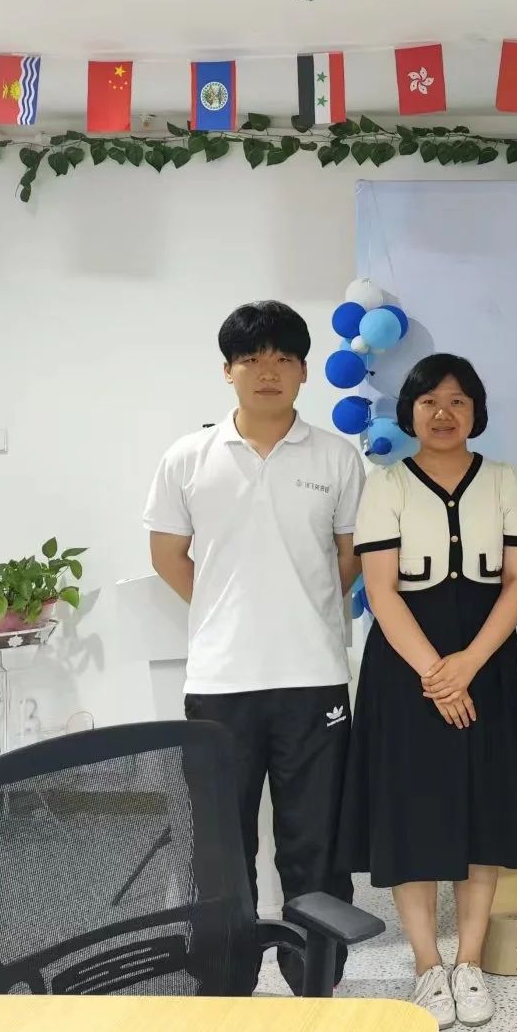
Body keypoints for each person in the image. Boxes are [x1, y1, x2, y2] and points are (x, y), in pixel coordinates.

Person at [144, 299, 363, 994]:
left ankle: (313, 976)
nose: (268, 371)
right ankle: (225, 979)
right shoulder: (188, 456)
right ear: (228, 370)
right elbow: (167, 553)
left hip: (314, 677)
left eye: (283, 358)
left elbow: (348, 556)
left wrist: (304, 608)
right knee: (219, 841)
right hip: (220, 682)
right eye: (252, 359)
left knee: (314, 841)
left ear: (304, 371)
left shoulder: (336, 456)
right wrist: (223, 610)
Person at [336, 353, 517, 1031]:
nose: (443, 413)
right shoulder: (387, 484)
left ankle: (470, 960)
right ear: (410, 412)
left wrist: (468, 664)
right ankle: (428, 965)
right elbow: (381, 590)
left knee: (484, 808)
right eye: (429, 401)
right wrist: (435, 672)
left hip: (487, 658)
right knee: (411, 812)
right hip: (405, 665)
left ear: (476, 411)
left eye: (457, 401)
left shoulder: (504, 479)